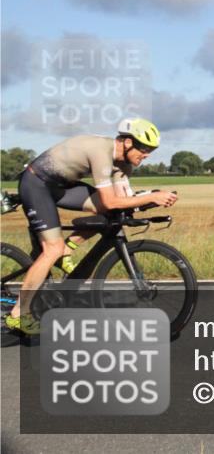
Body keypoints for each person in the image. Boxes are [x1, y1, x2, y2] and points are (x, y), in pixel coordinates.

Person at [4, 118, 177, 335]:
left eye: (151, 150)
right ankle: (19, 314)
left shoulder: (125, 165)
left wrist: (148, 200)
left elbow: (123, 199)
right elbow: (109, 201)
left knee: (111, 215)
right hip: (37, 184)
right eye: (144, 148)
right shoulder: (101, 153)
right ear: (127, 143)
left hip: (61, 186)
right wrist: (151, 196)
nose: (147, 154)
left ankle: (68, 249)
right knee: (52, 248)